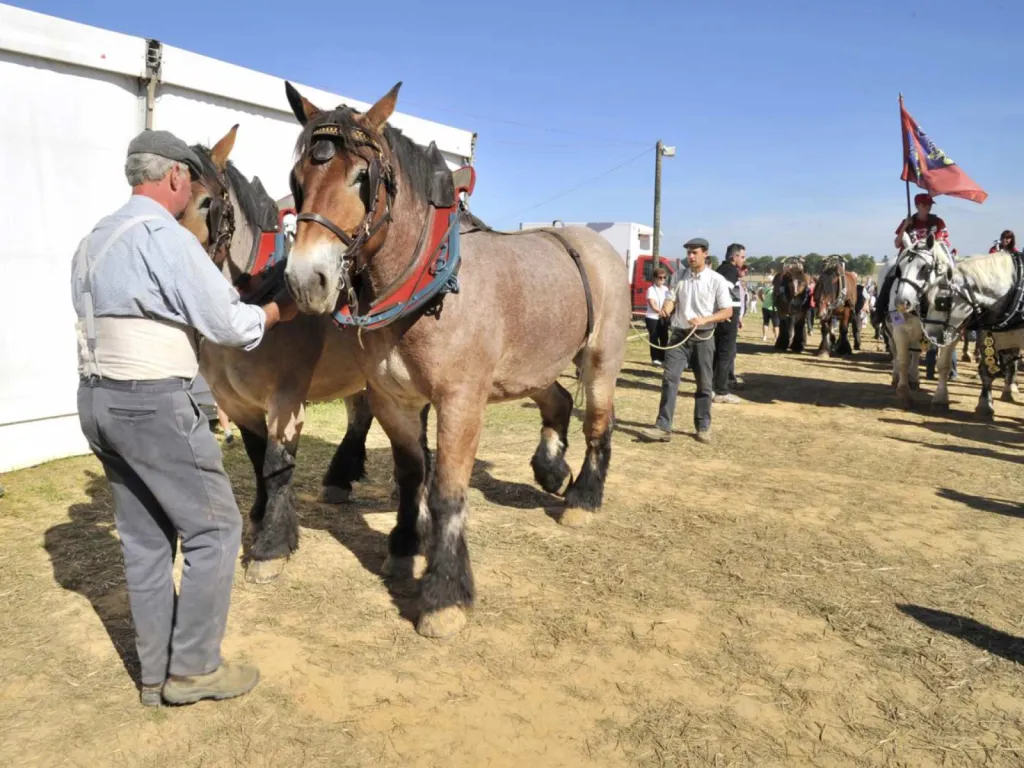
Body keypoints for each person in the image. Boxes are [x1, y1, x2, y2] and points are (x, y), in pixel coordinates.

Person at [70, 129, 299, 707]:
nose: (194, 195)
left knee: (146, 541)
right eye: (193, 185)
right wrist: (279, 308)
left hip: (97, 400)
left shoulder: (93, 240)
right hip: (152, 402)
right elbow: (232, 326)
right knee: (215, 528)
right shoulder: (163, 239)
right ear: (174, 177)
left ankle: (155, 676)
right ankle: (195, 670)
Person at [642, 238, 733, 444]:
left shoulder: (716, 280)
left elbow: (727, 311)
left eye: (695, 253)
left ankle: (703, 426)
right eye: (689, 253)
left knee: (704, 384)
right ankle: (663, 427)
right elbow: (671, 298)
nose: (690, 256)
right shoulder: (678, 277)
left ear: (705, 254)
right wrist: (666, 308)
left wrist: (705, 319)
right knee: (669, 379)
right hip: (679, 336)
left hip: (703, 336)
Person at [712, 243, 746, 404]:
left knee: (720, 353)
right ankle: (721, 391)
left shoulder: (722, 269)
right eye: (742, 256)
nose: (743, 260)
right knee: (725, 353)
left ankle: (713, 388)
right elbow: (723, 292)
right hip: (726, 319)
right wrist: (725, 312)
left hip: (726, 317)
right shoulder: (730, 271)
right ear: (734, 257)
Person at [644, 268, 670, 366]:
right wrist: (659, 311)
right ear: (655, 278)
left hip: (663, 317)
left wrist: (666, 311)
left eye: (664, 277)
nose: (662, 279)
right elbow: (652, 304)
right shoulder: (650, 290)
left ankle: (663, 358)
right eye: (660, 277)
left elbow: (668, 302)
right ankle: (655, 358)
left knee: (664, 337)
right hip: (652, 317)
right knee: (654, 337)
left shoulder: (666, 289)